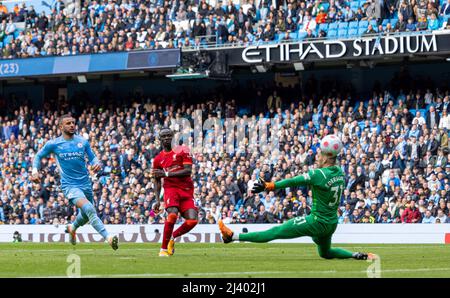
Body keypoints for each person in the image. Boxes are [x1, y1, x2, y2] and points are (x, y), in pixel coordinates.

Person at [219, 135, 375, 260]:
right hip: (331, 224)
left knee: (276, 231)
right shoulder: (339, 172)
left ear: (327, 156)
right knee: (325, 253)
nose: (317, 157)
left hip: (316, 221)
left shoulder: (318, 174)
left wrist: (269, 186)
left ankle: (232, 236)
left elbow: (293, 181)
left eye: (320, 154)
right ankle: (355, 255)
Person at [31, 114, 118, 250]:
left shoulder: (82, 142)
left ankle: (72, 227)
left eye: (73, 122)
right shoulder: (54, 144)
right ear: (61, 127)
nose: (72, 125)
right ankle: (108, 237)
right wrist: (34, 171)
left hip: (86, 184)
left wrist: (96, 163)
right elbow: (38, 156)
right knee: (89, 208)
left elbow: (93, 157)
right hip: (69, 186)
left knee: (85, 215)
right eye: (68, 123)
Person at [151, 128, 198, 257]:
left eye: (169, 136)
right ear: (159, 139)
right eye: (164, 136)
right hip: (171, 190)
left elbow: (187, 171)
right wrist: (157, 200)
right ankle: (163, 249)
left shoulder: (183, 150)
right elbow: (157, 180)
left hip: (187, 190)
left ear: (173, 137)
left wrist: (166, 173)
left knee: (192, 220)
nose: (167, 138)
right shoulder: (158, 159)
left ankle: (172, 237)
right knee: (172, 215)